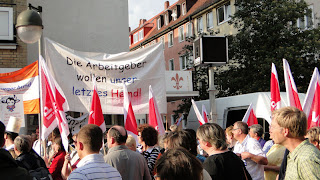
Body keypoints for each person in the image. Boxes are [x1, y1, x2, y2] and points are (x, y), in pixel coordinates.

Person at [270, 107, 320, 179]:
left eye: (273, 127)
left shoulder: (306, 158)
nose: (270, 131)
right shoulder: (293, 153)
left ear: (285, 131)